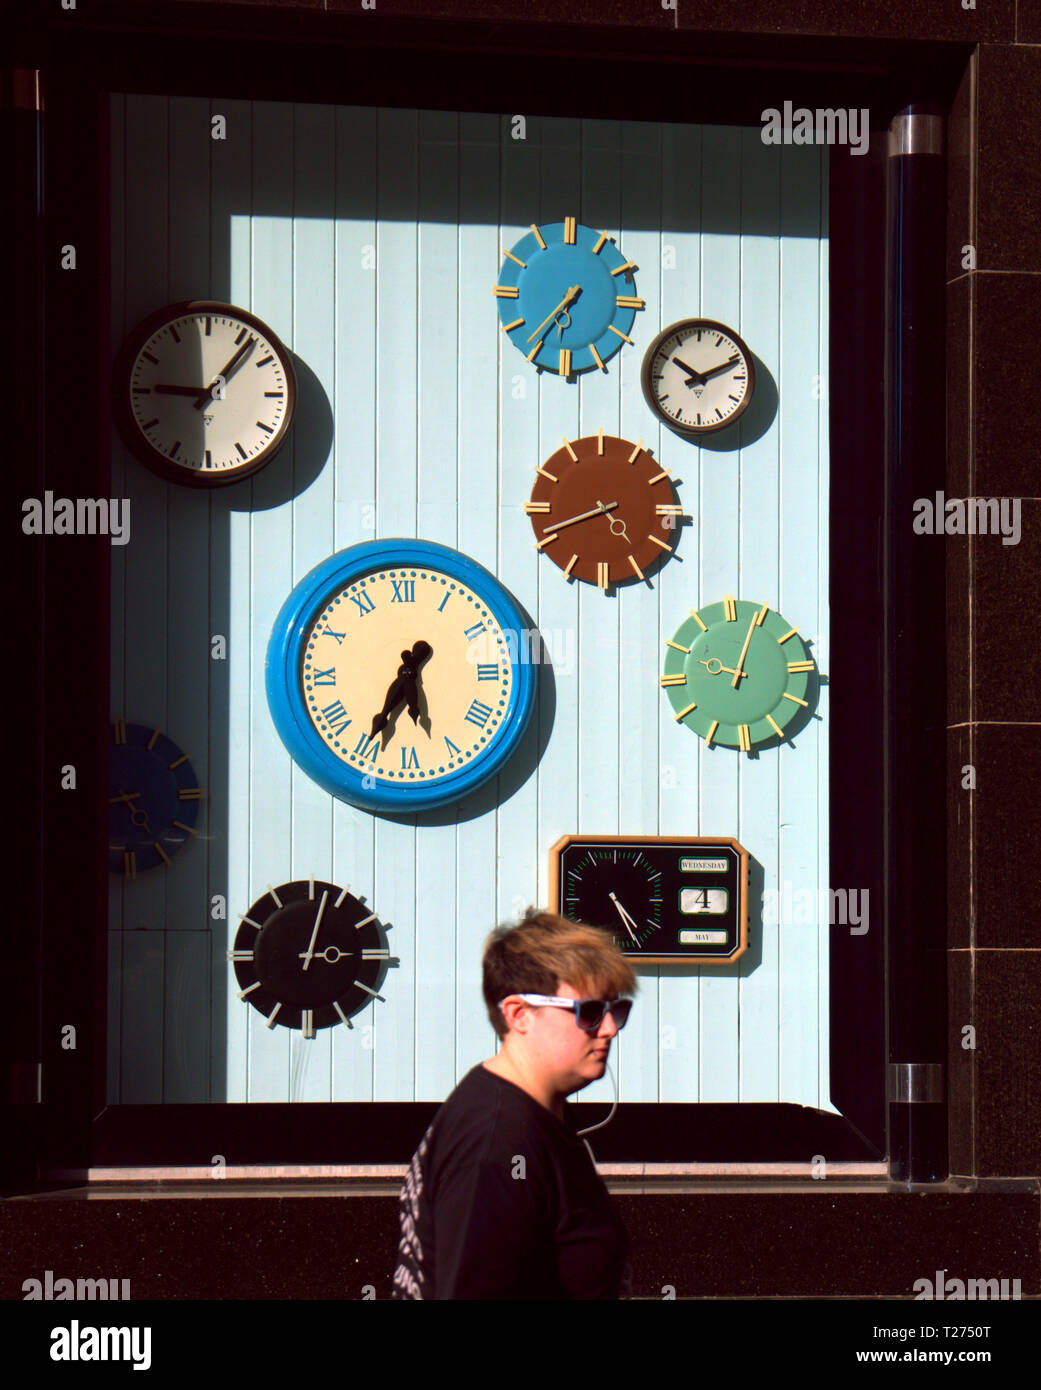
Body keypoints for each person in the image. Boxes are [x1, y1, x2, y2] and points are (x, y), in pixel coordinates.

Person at [391, 909, 637, 1300]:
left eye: (616, 1010)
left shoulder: (532, 1114)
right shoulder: (498, 1143)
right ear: (519, 1015)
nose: (609, 1029)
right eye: (589, 1012)